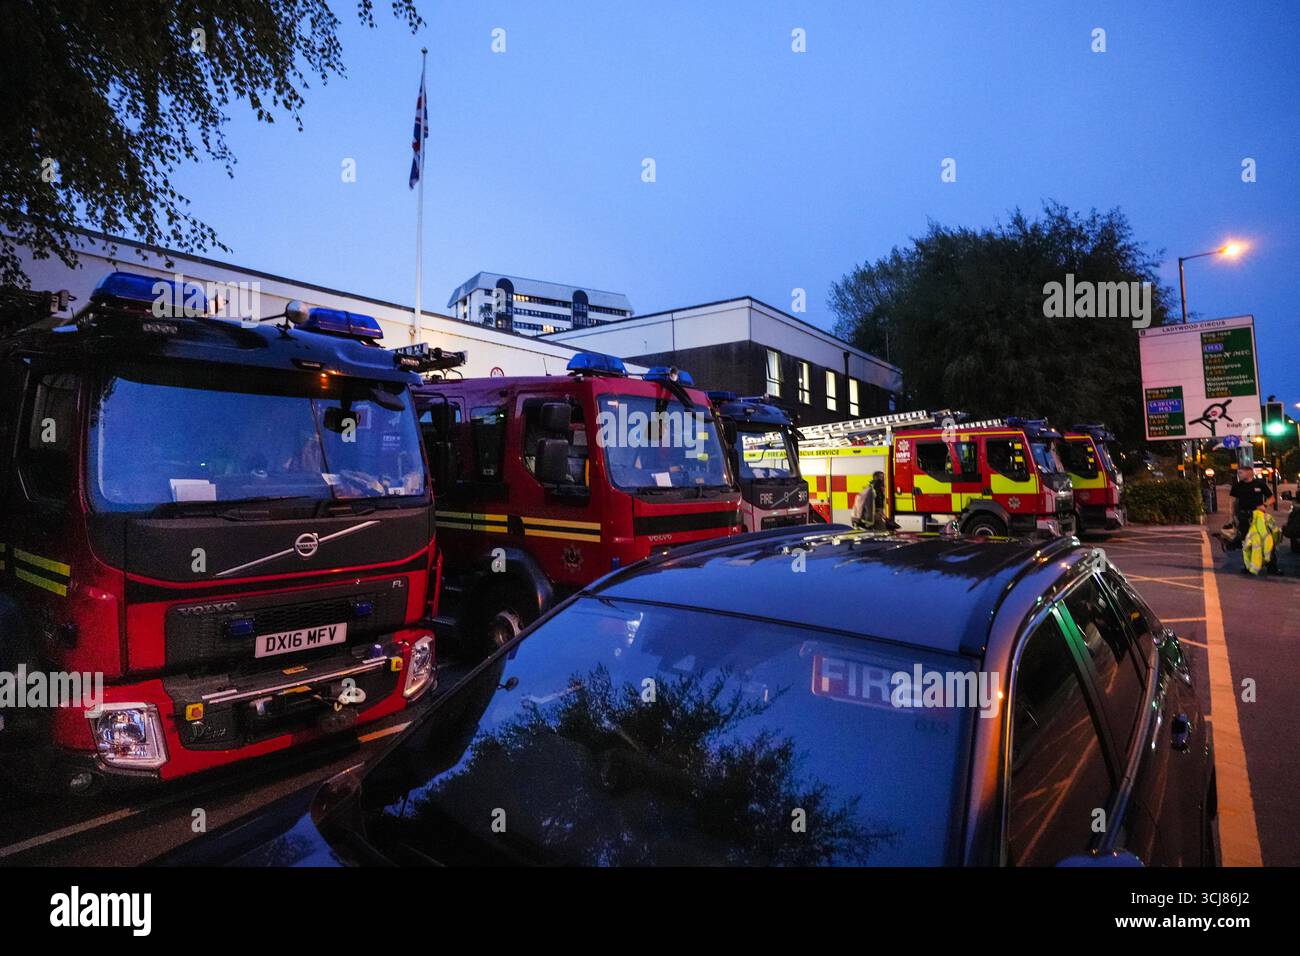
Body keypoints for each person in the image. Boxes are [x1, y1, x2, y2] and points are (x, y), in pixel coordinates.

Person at [1229, 466, 1279, 573]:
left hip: (1258, 517)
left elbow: (1272, 498)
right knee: (1246, 542)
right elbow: (1233, 502)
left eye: (1241, 473)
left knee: (1266, 540)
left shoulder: (1259, 484)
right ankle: (1248, 567)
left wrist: (1265, 505)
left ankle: (1272, 567)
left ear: (1249, 473)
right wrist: (1232, 516)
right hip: (1243, 516)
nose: (1239, 475)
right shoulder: (1237, 485)